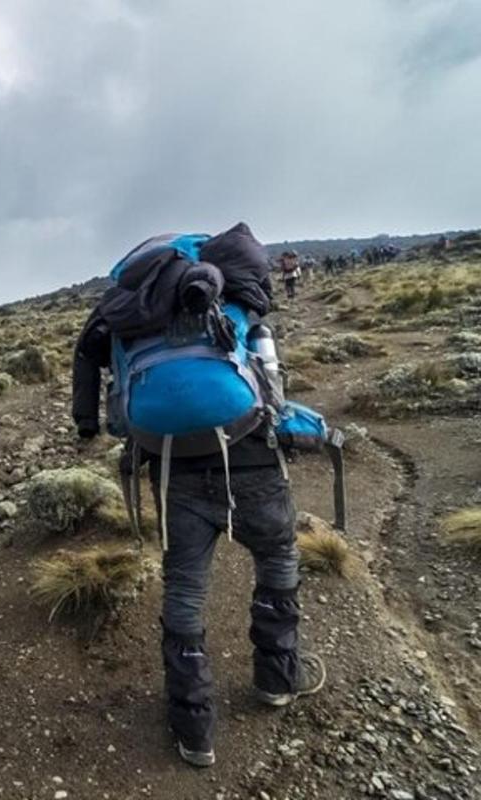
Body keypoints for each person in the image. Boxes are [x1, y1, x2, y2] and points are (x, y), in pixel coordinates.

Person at [72, 224, 325, 768]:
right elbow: (272, 390)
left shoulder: (130, 318)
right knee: (277, 559)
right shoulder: (232, 298)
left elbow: (112, 410)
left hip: (173, 468)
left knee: (185, 590)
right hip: (253, 457)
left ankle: (194, 729)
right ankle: (278, 679)